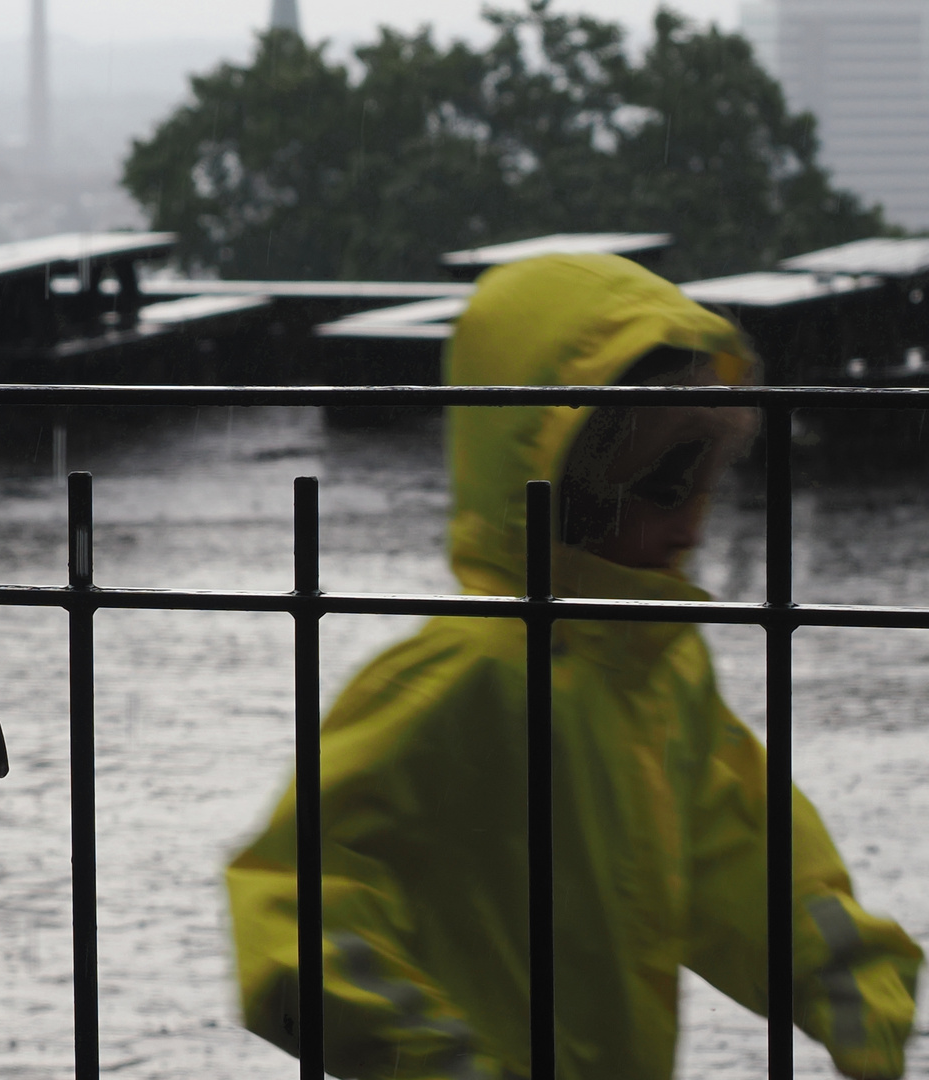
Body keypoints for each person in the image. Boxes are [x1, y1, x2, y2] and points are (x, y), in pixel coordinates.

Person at [225, 254, 922, 1080]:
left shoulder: (660, 672)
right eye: (665, 485)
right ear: (566, 483)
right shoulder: (462, 678)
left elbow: (744, 852)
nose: (694, 524)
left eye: (709, 483)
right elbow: (290, 901)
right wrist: (427, 1058)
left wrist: (851, 985)